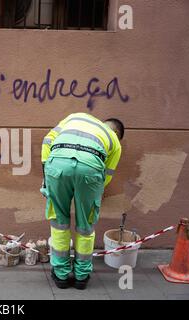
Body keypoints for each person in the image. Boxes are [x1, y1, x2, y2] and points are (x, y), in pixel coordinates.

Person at [41, 112, 124, 290]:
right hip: (90, 169)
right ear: (117, 134)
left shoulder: (75, 117)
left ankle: (61, 275)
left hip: (57, 164)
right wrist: (94, 193)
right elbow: (106, 175)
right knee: (85, 226)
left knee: (59, 222)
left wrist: (46, 174)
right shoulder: (114, 141)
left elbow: (47, 141)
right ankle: (81, 276)